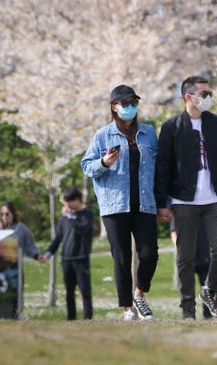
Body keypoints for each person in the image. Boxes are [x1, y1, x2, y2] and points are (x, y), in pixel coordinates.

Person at [155, 75, 217, 320]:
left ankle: (210, 291)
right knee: (185, 257)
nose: (208, 98)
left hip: (214, 198)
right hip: (183, 201)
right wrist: (161, 202)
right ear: (189, 97)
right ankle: (187, 309)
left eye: (209, 93)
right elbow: (163, 167)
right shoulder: (172, 127)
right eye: (204, 94)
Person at [81, 84, 170, 322]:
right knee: (121, 258)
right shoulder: (102, 135)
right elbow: (87, 167)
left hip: (145, 203)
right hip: (114, 205)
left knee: (150, 254)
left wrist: (164, 202)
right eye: (126, 103)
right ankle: (127, 307)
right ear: (114, 107)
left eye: (134, 103)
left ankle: (139, 294)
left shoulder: (149, 133)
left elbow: (161, 170)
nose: (131, 107)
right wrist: (105, 162)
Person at [169, 215, 217, 319]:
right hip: (188, 259)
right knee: (187, 288)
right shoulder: (184, 210)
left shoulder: (207, 212)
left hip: (204, 257)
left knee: (208, 288)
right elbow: (173, 232)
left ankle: (208, 315)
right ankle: (189, 313)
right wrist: (180, 249)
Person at [41, 187, 95, 320]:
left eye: (68, 202)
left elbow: (82, 229)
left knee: (85, 291)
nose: (66, 206)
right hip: (66, 258)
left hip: (81, 258)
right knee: (69, 291)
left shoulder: (88, 215)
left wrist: (71, 217)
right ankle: (71, 318)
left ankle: (87, 318)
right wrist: (48, 253)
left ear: (76, 200)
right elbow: (58, 238)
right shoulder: (64, 219)